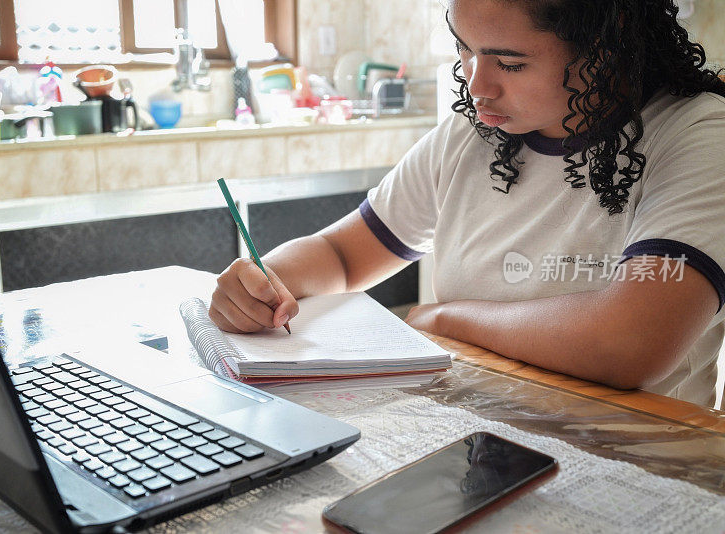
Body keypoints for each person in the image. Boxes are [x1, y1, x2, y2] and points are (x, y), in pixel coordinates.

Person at [209, 0, 725, 407]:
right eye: (465, 49)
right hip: (477, 435)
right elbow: (343, 256)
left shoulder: (696, 135)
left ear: (605, 51)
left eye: (511, 62)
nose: (477, 86)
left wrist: (447, 320)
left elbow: (631, 341)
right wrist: (268, 278)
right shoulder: (471, 134)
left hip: (630, 462)